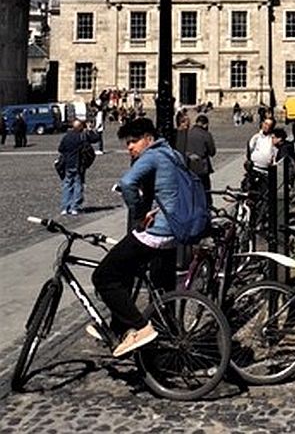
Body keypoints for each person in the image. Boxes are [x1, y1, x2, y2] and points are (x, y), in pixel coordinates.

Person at [91, 117, 180, 358]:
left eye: (133, 142)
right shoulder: (173, 154)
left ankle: (140, 328)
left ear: (148, 139)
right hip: (174, 231)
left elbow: (127, 182)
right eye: (127, 143)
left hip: (156, 232)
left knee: (103, 276)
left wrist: (139, 212)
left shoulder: (151, 155)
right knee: (132, 273)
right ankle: (118, 326)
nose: (129, 147)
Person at [57, 118, 87, 215]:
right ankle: (75, 207)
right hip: (77, 164)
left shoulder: (66, 137)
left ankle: (65, 207)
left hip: (67, 164)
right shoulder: (81, 137)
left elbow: (60, 149)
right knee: (77, 184)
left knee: (67, 185)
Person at [186, 113, 216, 194]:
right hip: (202, 167)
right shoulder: (206, 135)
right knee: (205, 190)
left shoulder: (187, 133)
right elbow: (212, 152)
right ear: (205, 125)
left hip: (189, 166)